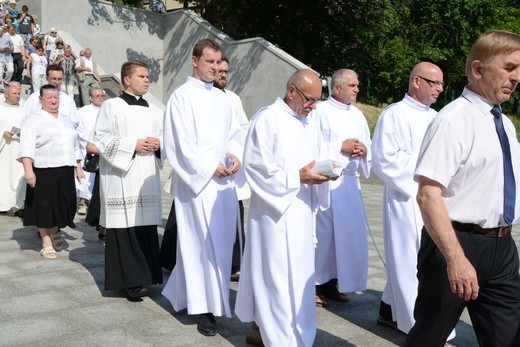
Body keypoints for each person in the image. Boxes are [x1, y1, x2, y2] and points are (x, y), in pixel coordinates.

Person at [405, 30, 520, 346]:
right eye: (509, 68)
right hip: (454, 243)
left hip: (502, 246)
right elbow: (428, 194)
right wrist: (456, 258)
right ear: (479, 69)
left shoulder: (505, 125)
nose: (517, 77)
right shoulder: (452, 120)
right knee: (429, 336)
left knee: (508, 338)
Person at [235, 69, 343, 346]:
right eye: (309, 99)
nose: (314, 106)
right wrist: (297, 177)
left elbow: (317, 157)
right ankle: (278, 336)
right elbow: (256, 168)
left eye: (318, 100)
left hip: (302, 211)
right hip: (275, 215)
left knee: (297, 276)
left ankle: (283, 330)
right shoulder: (267, 119)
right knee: (277, 277)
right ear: (291, 90)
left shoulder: (309, 122)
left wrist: (327, 170)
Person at [162, 38, 244, 337]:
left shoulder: (223, 99)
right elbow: (178, 144)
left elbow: (235, 133)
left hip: (223, 184)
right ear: (195, 61)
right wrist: (210, 167)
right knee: (202, 245)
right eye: (210, 61)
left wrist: (235, 155)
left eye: (218, 62)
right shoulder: (181, 97)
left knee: (220, 246)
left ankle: (194, 295)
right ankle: (206, 309)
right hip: (198, 183)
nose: (215, 67)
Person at [371, 61, 445, 334]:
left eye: (441, 84)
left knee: (426, 260)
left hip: (432, 199)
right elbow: (383, 159)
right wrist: (419, 181)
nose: (439, 89)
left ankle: (389, 311)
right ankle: (417, 325)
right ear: (416, 82)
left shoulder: (436, 117)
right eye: (434, 83)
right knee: (407, 260)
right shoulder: (395, 114)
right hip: (405, 199)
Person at [93, 61, 163, 301]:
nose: (147, 80)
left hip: (146, 176)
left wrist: (158, 144)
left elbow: (166, 136)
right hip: (122, 175)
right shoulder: (111, 106)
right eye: (142, 76)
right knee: (125, 227)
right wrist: (132, 145)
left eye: (147, 76)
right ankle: (130, 282)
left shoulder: (155, 110)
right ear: (126, 80)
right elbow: (100, 139)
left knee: (146, 228)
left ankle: (149, 275)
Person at [312, 68, 371, 308]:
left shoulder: (357, 114)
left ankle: (334, 283)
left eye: (357, 85)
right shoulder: (320, 111)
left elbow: (368, 143)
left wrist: (364, 150)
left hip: (349, 182)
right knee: (324, 236)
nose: (357, 89)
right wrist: (340, 146)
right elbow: (313, 143)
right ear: (337, 88)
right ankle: (315, 284)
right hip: (328, 182)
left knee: (347, 237)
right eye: (353, 85)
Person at [18, 84, 84, 259]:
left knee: (67, 205)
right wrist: (28, 170)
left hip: (66, 168)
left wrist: (78, 168)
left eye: (56, 98)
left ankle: (55, 230)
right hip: (44, 169)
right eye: (49, 98)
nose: (54, 101)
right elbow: (26, 147)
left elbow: (74, 145)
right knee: (44, 207)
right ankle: (46, 241)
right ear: (41, 100)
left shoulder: (66, 119)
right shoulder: (33, 119)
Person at [213, 56, 250, 281]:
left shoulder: (234, 99)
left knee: (235, 215)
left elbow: (243, 128)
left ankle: (235, 262)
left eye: (227, 71)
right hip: (208, 166)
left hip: (230, 164)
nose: (224, 75)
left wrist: (237, 152)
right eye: (220, 71)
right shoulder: (198, 96)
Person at [78, 87, 105, 240]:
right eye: (97, 95)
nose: (100, 98)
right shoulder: (83, 112)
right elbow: (80, 130)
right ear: (90, 98)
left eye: (102, 95)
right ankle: (83, 202)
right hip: (89, 150)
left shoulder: (107, 110)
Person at [0, 82, 24, 215]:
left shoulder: (23, 110)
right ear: (6, 94)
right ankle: (2, 204)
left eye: (19, 93)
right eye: (14, 94)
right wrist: (2, 133)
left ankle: (17, 206)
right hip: (4, 149)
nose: (17, 96)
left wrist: (22, 133)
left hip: (18, 147)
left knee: (18, 177)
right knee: (3, 177)